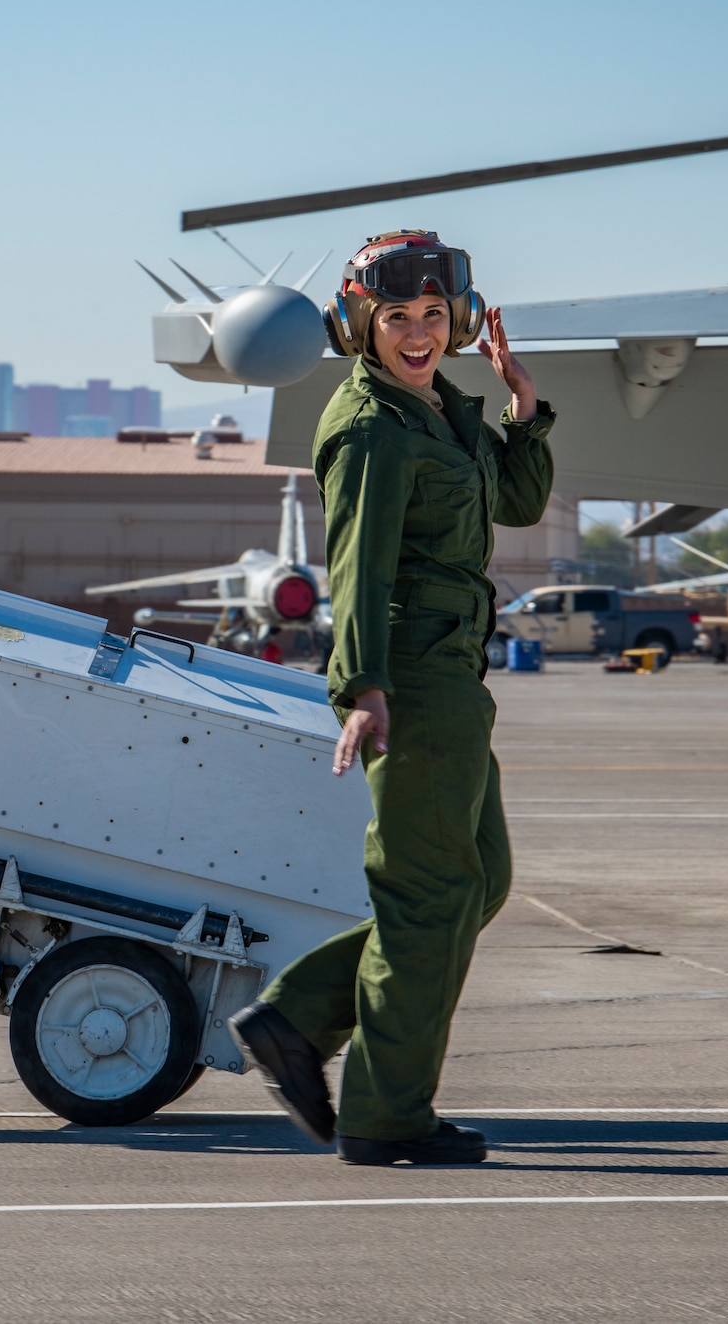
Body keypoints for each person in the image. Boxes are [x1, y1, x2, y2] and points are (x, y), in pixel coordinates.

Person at [229, 231, 554, 1166]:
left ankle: (296, 1020)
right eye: (397, 317)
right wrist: (363, 686)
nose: (417, 332)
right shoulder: (370, 424)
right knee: (428, 894)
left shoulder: (439, 407)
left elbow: (517, 504)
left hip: (454, 675)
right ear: (361, 324)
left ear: (457, 321)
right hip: (411, 676)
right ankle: (384, 1112)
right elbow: (356, 567)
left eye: (433, 315)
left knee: (475, 881)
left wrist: (522, 409)